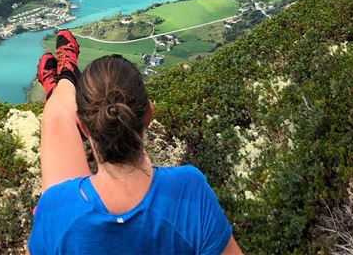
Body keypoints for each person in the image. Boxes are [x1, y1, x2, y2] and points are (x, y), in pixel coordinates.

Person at [28, 29, 243, 255]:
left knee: (57, 118)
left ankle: (64, 82)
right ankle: (64, 80)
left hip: (63, 216)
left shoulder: (54, 209)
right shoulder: (189, 191)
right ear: (149, 113)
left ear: (82, 126)